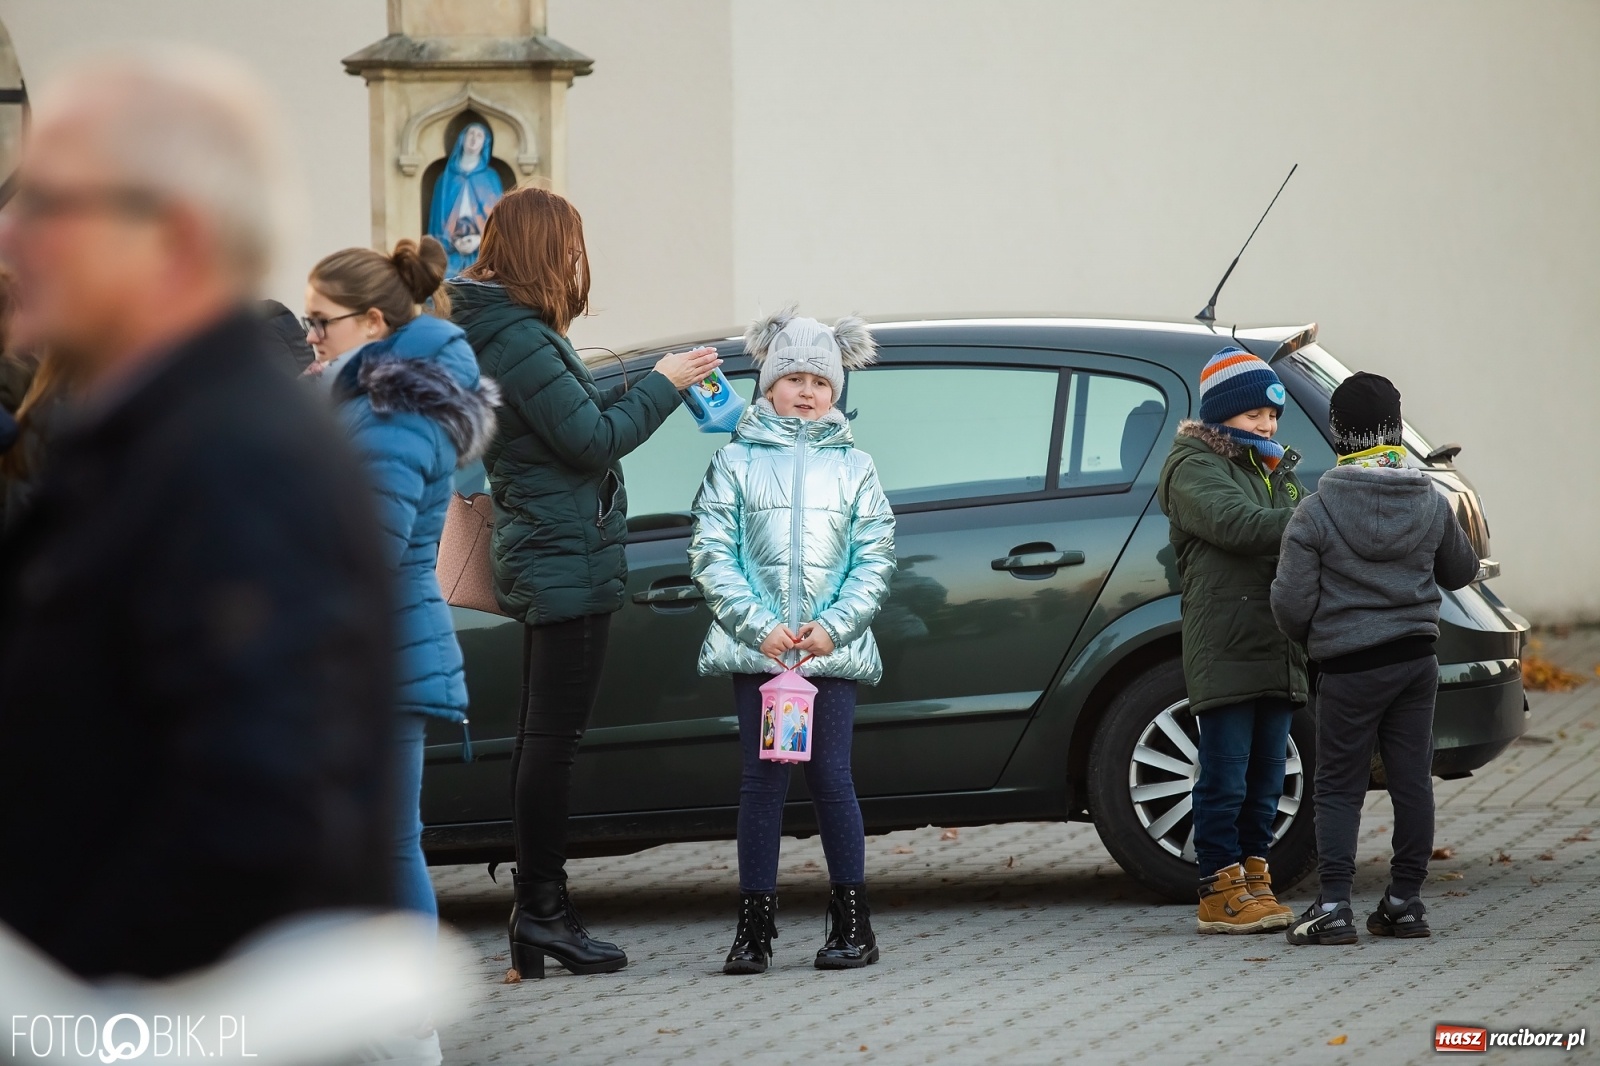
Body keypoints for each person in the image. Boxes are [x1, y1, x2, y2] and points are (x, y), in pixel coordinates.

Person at [0, 48, 395, 979]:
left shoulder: (236, 459)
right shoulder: (129, 431)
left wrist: (54, 991)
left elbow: (257, 820)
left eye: (49, 204)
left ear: (172, 236)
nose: (12, 235)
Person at [450, 185, 722, 978]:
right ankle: (541, 912)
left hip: (556, 551)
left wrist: (649, 379)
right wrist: (665, 386)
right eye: (569, 245)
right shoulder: (520, 337)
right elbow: (593, 439)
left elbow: (565, 417)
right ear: (543, 249)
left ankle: (540, 913)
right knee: (550, 745)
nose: (577, 260)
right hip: (560, 560)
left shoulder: (506, 330)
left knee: (544, 741)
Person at [690, 308, 896, 975]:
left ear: (837, 392)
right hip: (765, 656)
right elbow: (712, 553)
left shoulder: (857, 468)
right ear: (767, 385)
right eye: (793, 377)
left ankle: (852, 923)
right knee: (763, 781)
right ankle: (754, 926)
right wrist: (760, 627)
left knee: (831, 776)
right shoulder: (735, 462)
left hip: (828, 653)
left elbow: (875, 556)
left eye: (822, 381)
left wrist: (834, 627)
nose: (807, 391)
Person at [304, 235, 499, 928]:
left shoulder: (393, 415)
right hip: (373, 649)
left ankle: (408, 1031)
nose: (311, 336)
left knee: (384, 849)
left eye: (320, 321)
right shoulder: (363, 402)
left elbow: (366, 555)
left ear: (373, 324)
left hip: (378, 652)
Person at [1271, 373, 1477, 946]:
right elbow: (1459, 573)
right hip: (1416, 660)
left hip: (1348, 667)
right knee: (1413, 780)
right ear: (1395, 428)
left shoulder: (1313, 513)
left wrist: (1314, 637)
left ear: (1337, 435)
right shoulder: (1430, 501)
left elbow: (1290, 603)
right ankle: (1404, 902)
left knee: (1338, 785)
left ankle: (1334, 906)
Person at [1155, 346, 1308, 935]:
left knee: (1269, 774)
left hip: (1275, 643)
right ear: (1222, 416)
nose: (1267, 427)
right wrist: (1318, 521)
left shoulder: (1275, 471)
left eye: (1273, 417)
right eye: (1254, 418)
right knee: (1226, 773)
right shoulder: (1193, 466)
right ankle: (1219, 889)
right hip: (1225, 645)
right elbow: (1236, 526)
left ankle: (1254, 874)